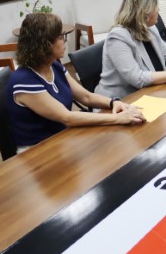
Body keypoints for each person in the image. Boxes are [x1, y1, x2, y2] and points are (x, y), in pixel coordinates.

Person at [8, 13, 145, 151]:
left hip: (63, 138)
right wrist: (118, 118)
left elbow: (86, 97)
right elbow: (67, 117)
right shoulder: (23, 81)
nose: (65, 40)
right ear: (45, 44)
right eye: (61, 37)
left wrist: (114, 102)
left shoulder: (53, 66)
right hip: (38, 151)